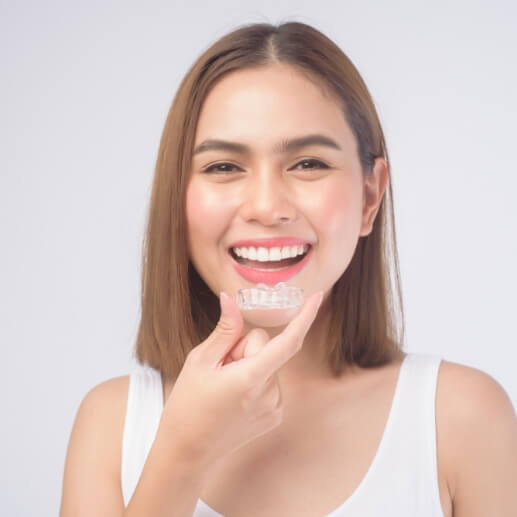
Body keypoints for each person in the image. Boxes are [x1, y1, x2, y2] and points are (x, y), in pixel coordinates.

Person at [59, 21, 517, 517]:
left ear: (370, 196)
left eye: (308, 164)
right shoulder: (110, 425)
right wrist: (181, 456)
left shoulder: (463, 419)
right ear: (176, 197)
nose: (266, 206)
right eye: (223, 167)